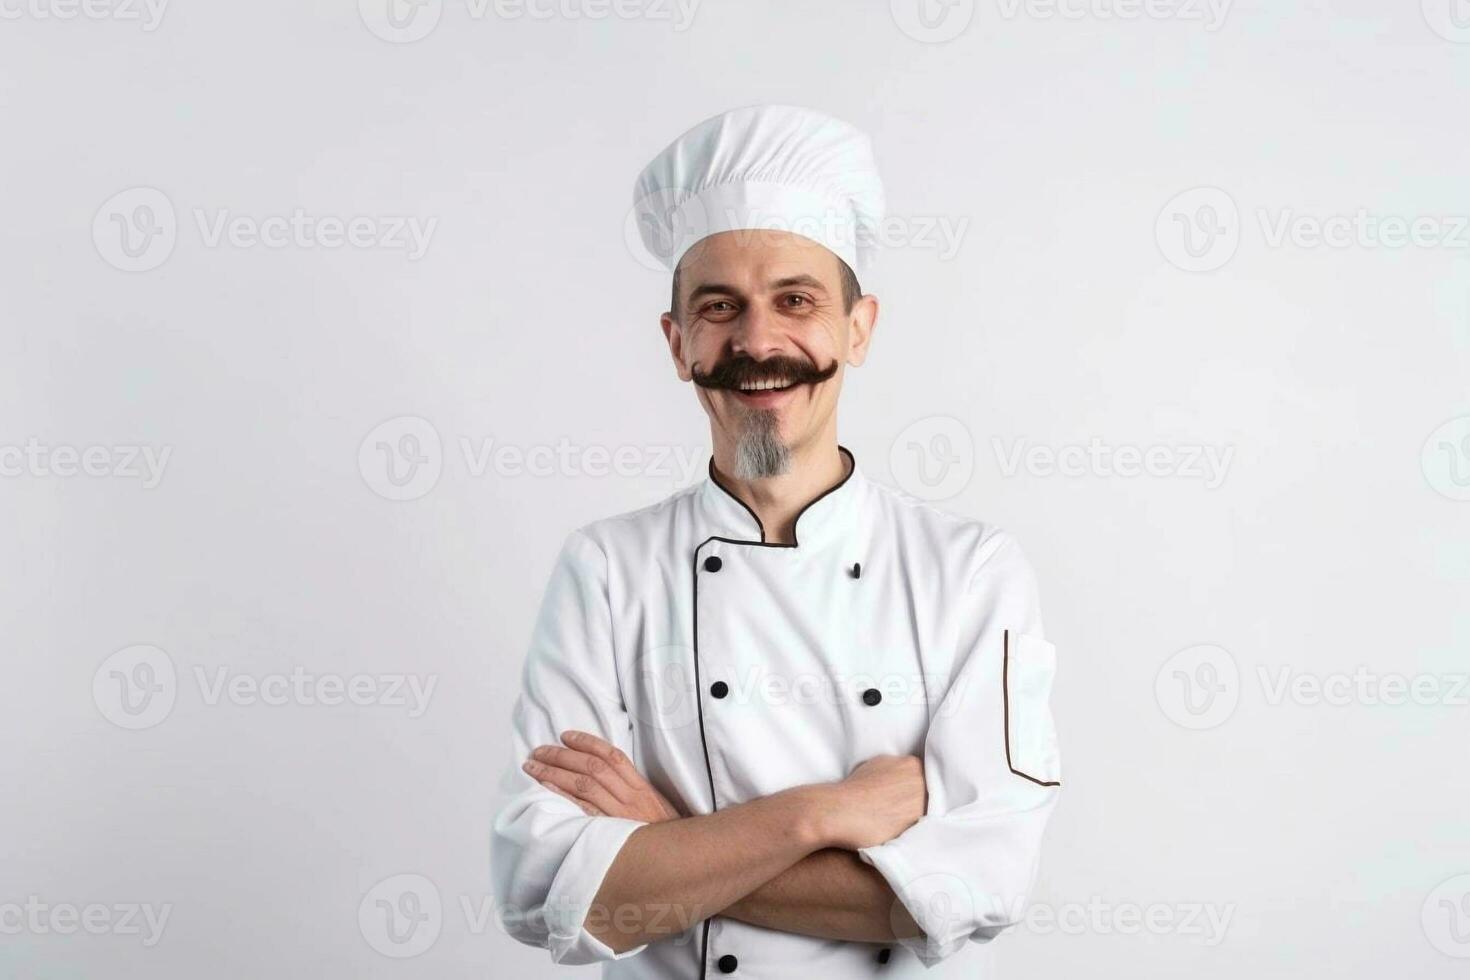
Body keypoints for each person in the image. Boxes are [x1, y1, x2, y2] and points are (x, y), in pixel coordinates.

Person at [490, 104, 1062, 978]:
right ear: (678, 344)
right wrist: (824, 813)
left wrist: (664, 844)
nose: (758, 342)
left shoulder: (969, 571)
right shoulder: (606, 569)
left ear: (857, 329)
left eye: (795, 300)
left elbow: (978, 888)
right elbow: (542, 891)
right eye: (720, 308)